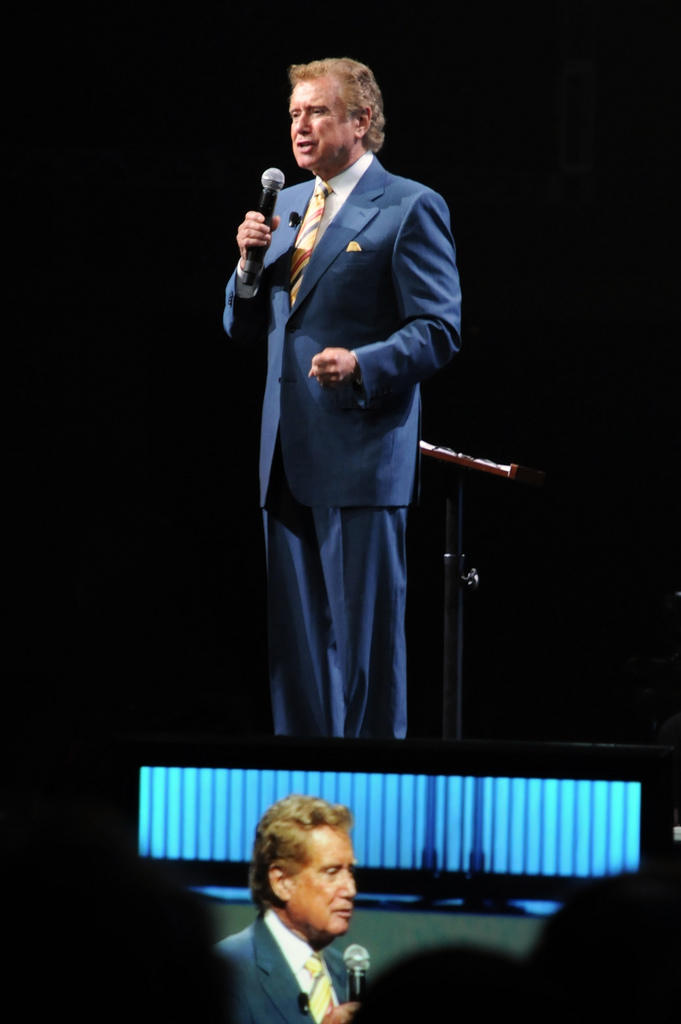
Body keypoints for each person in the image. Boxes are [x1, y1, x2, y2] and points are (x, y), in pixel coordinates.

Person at [224, 57, 461, 739]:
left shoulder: (410, 206)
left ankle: (371, 785)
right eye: (294, 114)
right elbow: (241, 327)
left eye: (317, 112)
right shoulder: (287, 207)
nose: (300, 127)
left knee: (365, 655)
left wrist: (363, 363)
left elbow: (439, 329)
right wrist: (245, 269)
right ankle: (304, 789)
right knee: (296, 660)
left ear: (361, 121)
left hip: (360, 456)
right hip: (283, 459)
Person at [216, 794, 360, 1024]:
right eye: (332, 872)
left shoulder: (344, 971)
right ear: (282, 882)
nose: (350, 889)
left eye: (350, 871)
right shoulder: (226, 972)